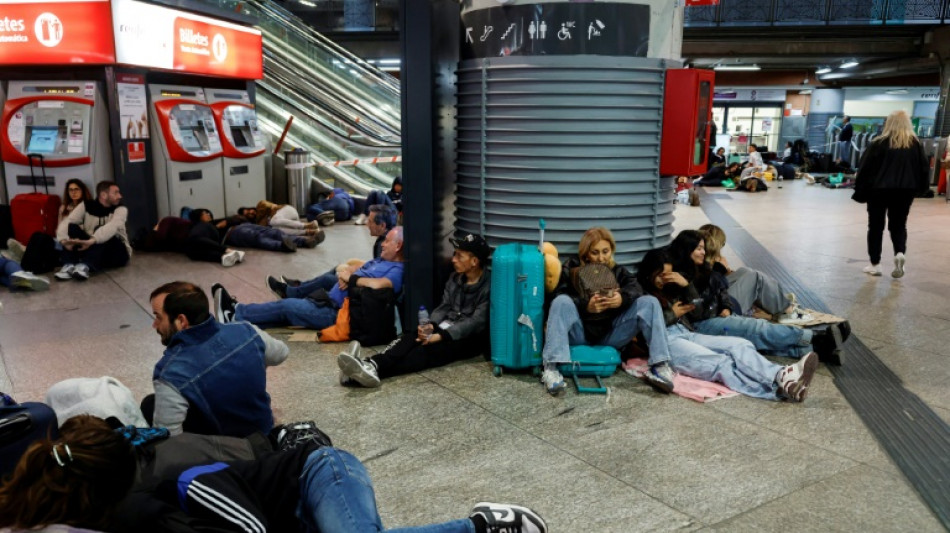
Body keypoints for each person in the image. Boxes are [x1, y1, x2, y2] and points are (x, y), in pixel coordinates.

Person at [0, 415, 548, 533]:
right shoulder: (75, 503)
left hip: (318, 473)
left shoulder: (177, 482)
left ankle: (482, 527)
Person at [637, 248, 818, 402]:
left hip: (686, 332)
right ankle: (776, 391)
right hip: (666, 342)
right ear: (649, 272)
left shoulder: (672, 286)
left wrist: (686, 286)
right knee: (721, 363)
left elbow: (697, 309)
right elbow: (645, 325)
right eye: (660, 275)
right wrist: (672, 314)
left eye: (667, 274)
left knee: (740, 344)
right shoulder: (640, 295)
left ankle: (782, 375)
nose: (664, 279)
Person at [668, 230, 847, 364]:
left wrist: (727, 306)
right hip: (701, 324)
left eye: (703, 248)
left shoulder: (701, 269)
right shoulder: (677, 277)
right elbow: (696, 312)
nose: (703, 252)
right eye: (699, 248)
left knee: (753, 335)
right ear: (687, 249)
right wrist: (688, 285)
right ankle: (814, 337)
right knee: (754, 328)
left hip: (717, 314)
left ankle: (817, 349)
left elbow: (720, 290)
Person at [338, 233, 491, 387]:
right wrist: (430, 325)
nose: (453, 259)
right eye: (454, 254)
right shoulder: (454, 278)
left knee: (423, 353)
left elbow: (475, 322)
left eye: (459, 256)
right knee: (410, 338)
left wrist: (440, 336)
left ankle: (365, 369)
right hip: (444, 326)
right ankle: (369, 365)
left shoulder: (488, 286)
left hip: (466, 339)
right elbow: (444, 307)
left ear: (474, 261)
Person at [540, 227, 675, 396]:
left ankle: (660, 366)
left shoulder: (618, 271)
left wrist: (621, 298)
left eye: (605, 251)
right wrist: (585, 305)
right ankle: (551, 369)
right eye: (595, 252)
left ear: (611, 250)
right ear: (586, 253)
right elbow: (556, 297)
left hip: (611, 333)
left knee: (650, 302)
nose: (601, 257)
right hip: (579, 332)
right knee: (561, 301)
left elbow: (637, 289)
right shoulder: (570, 268)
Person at [144, 281, 288, 438]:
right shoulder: (246, 330)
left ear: (181, 321)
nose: (154, 324)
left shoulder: (170, 373)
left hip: (228, 454)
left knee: (149, 405)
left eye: (158, 317)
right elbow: (281, 353)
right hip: (264, 431)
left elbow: (171, 442)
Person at [213, 227, 405, 330]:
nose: (382, 244)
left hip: (337, 313)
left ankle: (236, 312)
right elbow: (358, 266)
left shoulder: (397, 269)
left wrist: (352, 279)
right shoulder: (382, 260)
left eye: (387, 241)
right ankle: (241, 320)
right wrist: (349, 273)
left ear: (398, 246)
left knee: (287, 307)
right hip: (331, 300)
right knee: (289, 311)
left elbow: (381, 284)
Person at [853, 110, 930, 278]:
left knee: (875, 226)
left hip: (878, 191)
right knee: (899, 225)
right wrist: (922, 189)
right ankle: (900, 253)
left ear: (889, 123)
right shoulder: (915, 145)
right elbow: (924, 169)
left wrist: (860, 190)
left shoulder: (878, 143)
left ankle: (875, 264)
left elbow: (865, 169)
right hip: (905, 191)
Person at [269, 204, 398, 298]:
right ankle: (300, 286)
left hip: (364, 288)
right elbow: (376, 266)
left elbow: (378, 274)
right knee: (337, 269)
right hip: (366, 279)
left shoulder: (385, 246)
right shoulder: (385, 240)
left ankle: (290, 292)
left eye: (370, 222)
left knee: (327, 280)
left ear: (382, 226)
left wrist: (350, 277)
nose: (367, 225)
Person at [698, 224, 814, 325]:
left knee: (745, 271)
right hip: (717, 309)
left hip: (715, 299)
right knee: (756, 278)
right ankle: (787, 310)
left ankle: (776, 300)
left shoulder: (699, 257)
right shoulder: (697, 263)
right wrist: (719, 269)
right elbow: (707, 287)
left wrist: (723, 270)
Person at [54, 181, 131, 281]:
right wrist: (63, 241)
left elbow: (112, 227)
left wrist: (92, 240)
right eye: (115, 193)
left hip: (117, 252)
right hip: (93, 248)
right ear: (103, 195)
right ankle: (69, 265)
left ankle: (85, 265)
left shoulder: (121, 209)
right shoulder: (86, 205)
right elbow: (67, 221)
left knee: (103, 230)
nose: (120, 196)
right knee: (72, 226)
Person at [254, 200, 323, 238]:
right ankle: (308, 232)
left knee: (273, 222)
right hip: (291, 219)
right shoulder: (267, 217)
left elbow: (272, 207)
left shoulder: (272, 209)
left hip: (288, 210)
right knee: (276, 229)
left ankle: (306, 225)